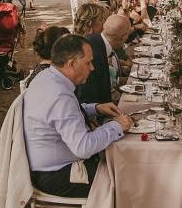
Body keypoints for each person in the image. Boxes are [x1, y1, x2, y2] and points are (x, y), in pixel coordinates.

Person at [23, 34, 133, 197]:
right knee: (129, 176)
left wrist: (95, 108)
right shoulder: (59, 96)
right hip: (58, 175)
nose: (92, 68)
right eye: (88, 63)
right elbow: (83, 148)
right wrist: (117, 125)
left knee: (122, 159)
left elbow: (58, 115)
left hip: (45, 165)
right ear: (72, 64)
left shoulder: (47, 77)